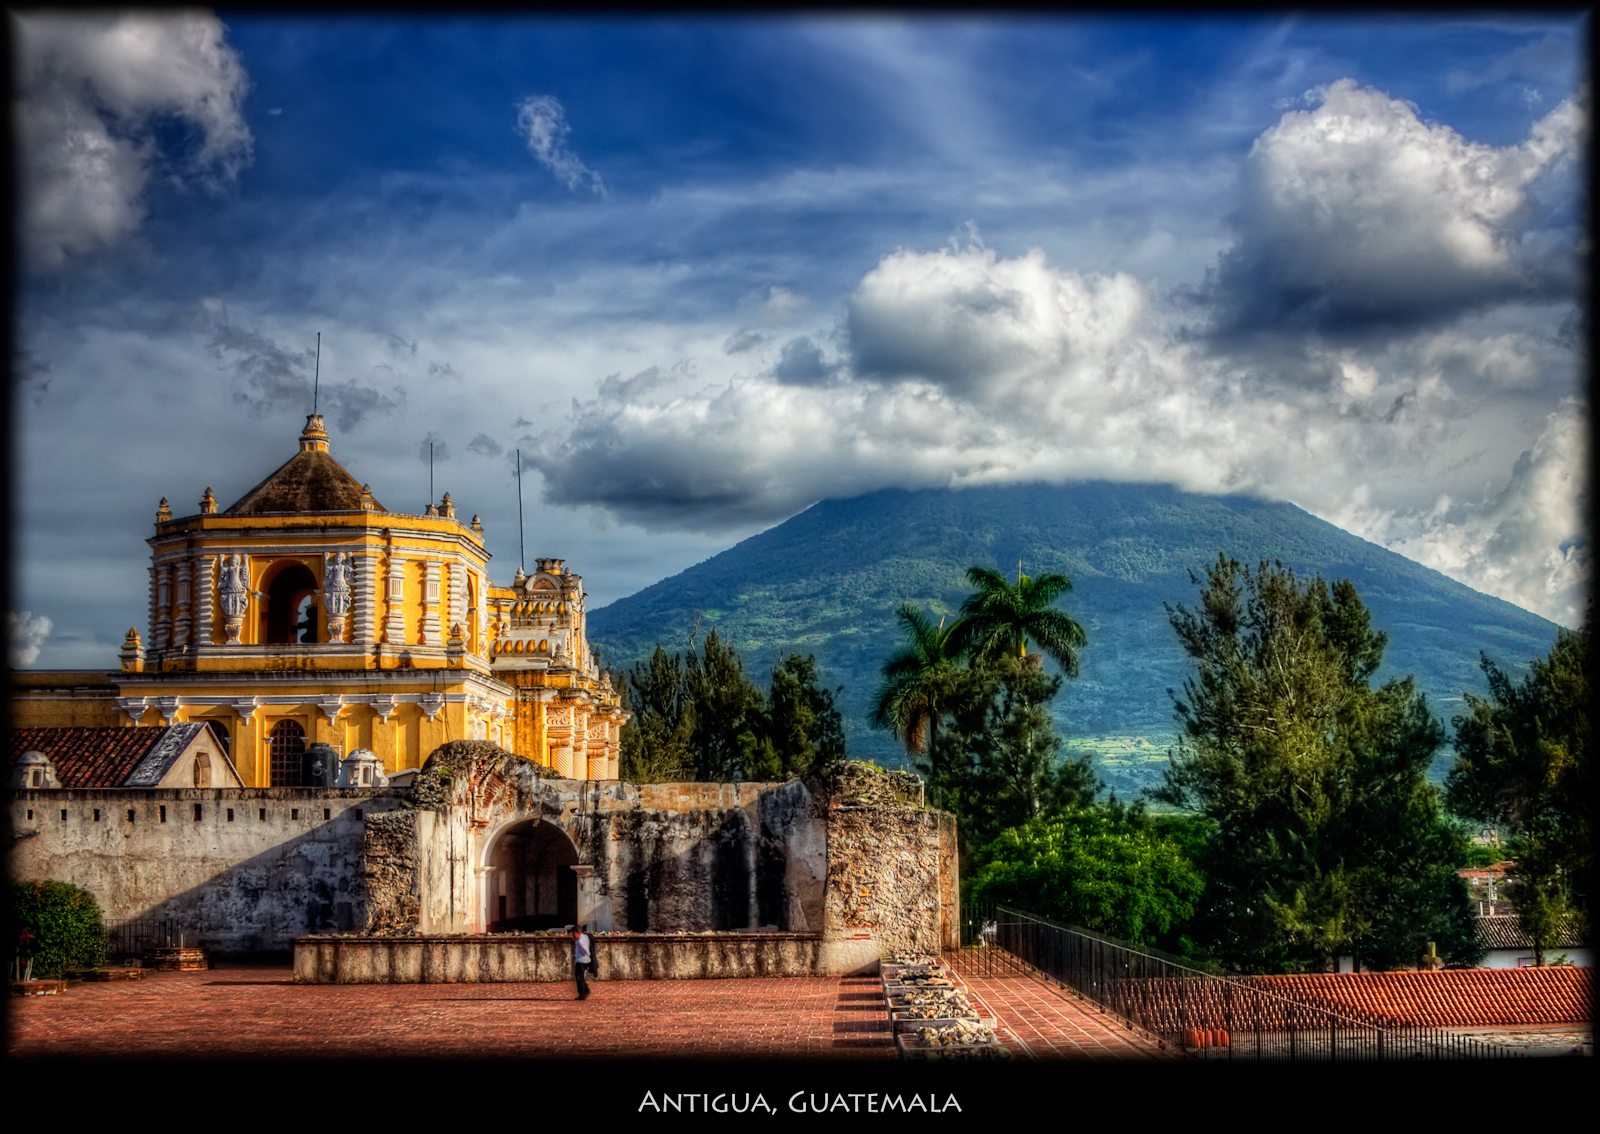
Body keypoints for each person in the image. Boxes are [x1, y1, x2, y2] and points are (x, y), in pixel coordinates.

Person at [572, 924, 592, 1000]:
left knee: (579, 977)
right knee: (581, 977)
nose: (573, 936)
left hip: (581, 960)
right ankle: (585, 990)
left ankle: (583, 993)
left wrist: (586, 954)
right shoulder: (585, 937)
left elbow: (584, 950)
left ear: (578, 933)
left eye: (574, 934)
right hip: (586, 960)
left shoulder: (579, 941)